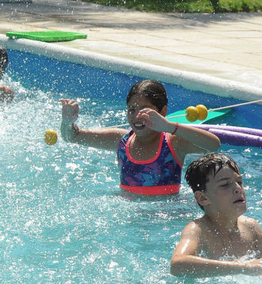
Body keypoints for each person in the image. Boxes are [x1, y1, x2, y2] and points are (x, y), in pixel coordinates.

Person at [59, 79, 221, 196]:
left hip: (165, 216)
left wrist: (170, 127)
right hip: (129, 216)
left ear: (163, 112)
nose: (137, 117)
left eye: (144, 110)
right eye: (131, 110)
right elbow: (73, 137)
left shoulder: (173, 142)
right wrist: (67, 122)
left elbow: (214, 145)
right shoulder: (121, 140)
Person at [169, 153, 262, 277]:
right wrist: (243, 267)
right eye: (225, 184)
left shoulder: (251, 227)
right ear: (203, 198)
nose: (238, 188)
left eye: (239, 181)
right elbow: (177, 265)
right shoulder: (198, 230)